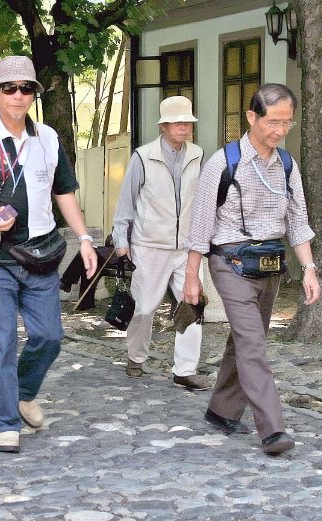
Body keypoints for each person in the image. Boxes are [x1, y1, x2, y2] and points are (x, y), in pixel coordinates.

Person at [0, 55, 98, 453]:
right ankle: (6, 422)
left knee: (50, 336)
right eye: (9, 88)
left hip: (42, 254)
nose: (18, 95)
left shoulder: (48, 138)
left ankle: (24, 391)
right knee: (2, 342)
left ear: (34, 94)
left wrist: (83, 238)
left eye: (26, 88)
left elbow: (64, 191)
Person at [182, 83, 320, 456]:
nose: (279, 131)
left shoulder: (287, 165)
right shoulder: (222, 162)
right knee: (254, 343)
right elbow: (200, 224)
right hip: (229, 261)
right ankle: (273, 429)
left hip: (270, 263)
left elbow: (298, 221)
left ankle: (222, 410)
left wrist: (309, 268)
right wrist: (192, 276)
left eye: (287, 124)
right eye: (273, 122)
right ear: (252, 117)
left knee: (246, 339)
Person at [112, 95, 209, 390]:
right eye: (177, 123)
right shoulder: (143, 156)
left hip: (187, 248)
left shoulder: (198, 155)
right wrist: (121, 239)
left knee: (193, 305)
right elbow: (126, 201)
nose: (183, 128)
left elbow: (203, 201)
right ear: (164, 125)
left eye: (187, 123)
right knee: (143, 307)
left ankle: (185, 369)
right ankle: (136, 357)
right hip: (150, 245)